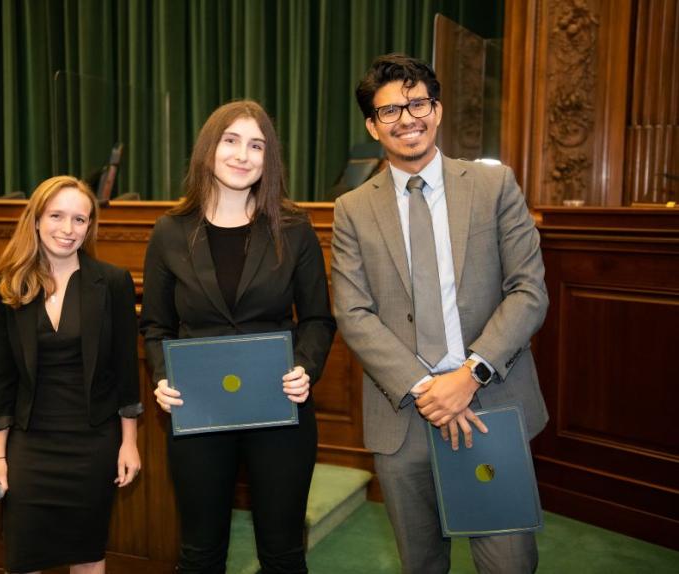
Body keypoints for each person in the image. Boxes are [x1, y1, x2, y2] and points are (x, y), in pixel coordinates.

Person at [331, 53, 549, 574]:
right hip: (403, 414)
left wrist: (469, 376)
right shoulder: (352, 209)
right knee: (421, 564)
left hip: (490, 402)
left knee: (509, 564)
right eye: (389, 111)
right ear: (372, 126)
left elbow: (528, 291)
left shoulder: (494, 186)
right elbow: (353, 312)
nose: (407, 119)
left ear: (438, 110)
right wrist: (427, 389)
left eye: (418, 104)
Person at [140, 100, 336, 573]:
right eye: (231, 141)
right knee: (200, 553)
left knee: (283, 553)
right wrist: (163, 378)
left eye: (256, 145)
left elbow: (317, 319)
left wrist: (305, 368)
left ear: (269, 159)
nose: (242, 155)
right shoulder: (169, 232)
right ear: (209, 147)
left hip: (280, 408)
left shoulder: (294, 228)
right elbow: (155, 326)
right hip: (199, 410)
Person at [0, 175, 142, 574]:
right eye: (56, 216)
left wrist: (129, 444)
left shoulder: (113, 282)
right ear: (35, 219)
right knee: (24, 557)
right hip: (30, 442)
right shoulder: (6, 286)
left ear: (90, 227)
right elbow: (0, 379)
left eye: (79, 219)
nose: (68, 229)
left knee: (88, 555)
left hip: (93, 442)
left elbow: (126, 372)